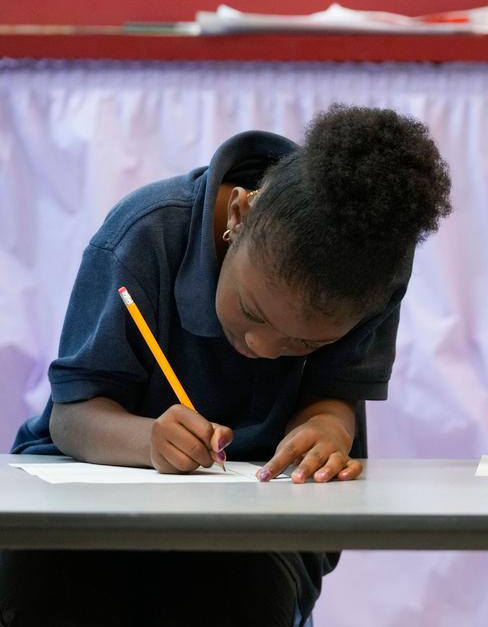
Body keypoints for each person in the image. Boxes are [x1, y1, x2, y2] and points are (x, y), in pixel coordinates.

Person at [1, 104, 452, 627]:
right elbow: (71, 417)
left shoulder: (371, 269)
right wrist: (147, 440)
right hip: (93, 487)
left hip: (260, 507)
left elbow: (337, 391)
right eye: (252, 311)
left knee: (238, 597)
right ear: (237, 216)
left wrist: (328, 427)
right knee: (43, 594)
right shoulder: (142, 236)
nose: (261, 345)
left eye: (304, 343)